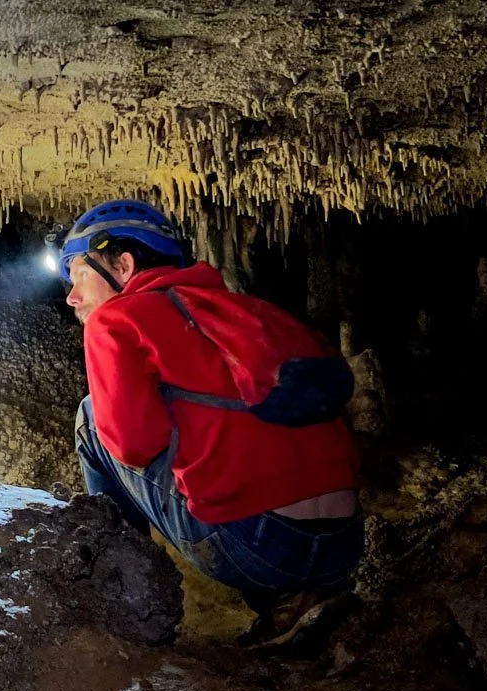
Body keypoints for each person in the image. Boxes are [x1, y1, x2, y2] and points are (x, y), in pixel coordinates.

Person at [58, 200, 363, 647]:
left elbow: (133, 446)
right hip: (346, 544)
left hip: (256, 548)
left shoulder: (115, 320)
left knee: (92, 416)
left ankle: (121, 597)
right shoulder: (246, 310)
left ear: (123, 265)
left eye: (79, 275)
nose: (72, 296)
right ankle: (294, 604)